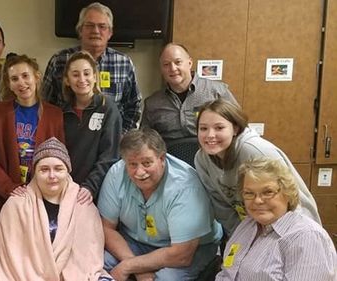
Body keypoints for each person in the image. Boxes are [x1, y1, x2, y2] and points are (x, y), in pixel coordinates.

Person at [98, 128, 222, 280]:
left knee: (165, 278)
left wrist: (129, 266)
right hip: (136, 243)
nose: (139, 172)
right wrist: (138, 268)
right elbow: (107, 228)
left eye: (147, 163)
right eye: (132, 164)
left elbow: (181, 255)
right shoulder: (117, 173)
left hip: (187, 249)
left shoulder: (186, 187)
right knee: (96, 263)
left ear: (162, 158)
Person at [0, 137, 112, 280]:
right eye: (44, 170)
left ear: (68, 171)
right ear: (35, 173)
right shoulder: (16, 204)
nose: (52, 176)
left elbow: (89, 260)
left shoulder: (82, 204)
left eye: (58, 169)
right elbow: (7, 263)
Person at [194, 98, 321, 236]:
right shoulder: (201, 159)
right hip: (252, 228)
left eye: (219, 128)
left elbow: (292, 201)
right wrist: (244, 238)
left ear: (235, 128)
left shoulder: (255, 151)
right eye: (203, 128)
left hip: (292, 227)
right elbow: (221, 207)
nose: (210, 135)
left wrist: (295, 237)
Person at [0, 54, 64, 247]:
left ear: (36, 77)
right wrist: (10, 188)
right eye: (14, 79)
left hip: (42, 197)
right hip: (6, 197)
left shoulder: (54, 115)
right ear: (9, 84)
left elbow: (59, 158)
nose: (21, 83)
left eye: (26, 76)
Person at [216, 157, 336, 281]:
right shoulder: (248, 225)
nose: (257, 200)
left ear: (288, 193)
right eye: (249, 193)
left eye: (268, 192)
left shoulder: (306, 237)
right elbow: (227, 272)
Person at [42, 2, 141, 133]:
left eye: (102, 26)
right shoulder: (59, 60)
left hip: (112, 141)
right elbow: (46, 104)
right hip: (68, 139)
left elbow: (134, 106)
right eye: (89, 25)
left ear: (110, 32)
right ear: (80, 30)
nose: (96, 31)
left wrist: (120, 137)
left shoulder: (124, 63)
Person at [141, 43, 238, 144]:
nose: (173, 68)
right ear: (161, 68)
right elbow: (145, 141)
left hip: (212, 156)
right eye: (166, 64)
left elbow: (239, 127)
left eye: (178, 62)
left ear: (190, 63)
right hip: (170, 157)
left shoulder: (217, 92)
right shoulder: (152, 103)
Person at [62, 51, 122, 202]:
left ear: (95, 77)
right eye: (75, 75)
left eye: (87, 73)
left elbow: (109, 155)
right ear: (67, 80)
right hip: (66, 189)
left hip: (98, 190)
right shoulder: (61, 112)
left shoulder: (107, 108)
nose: (82, 79)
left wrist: (90, 186)